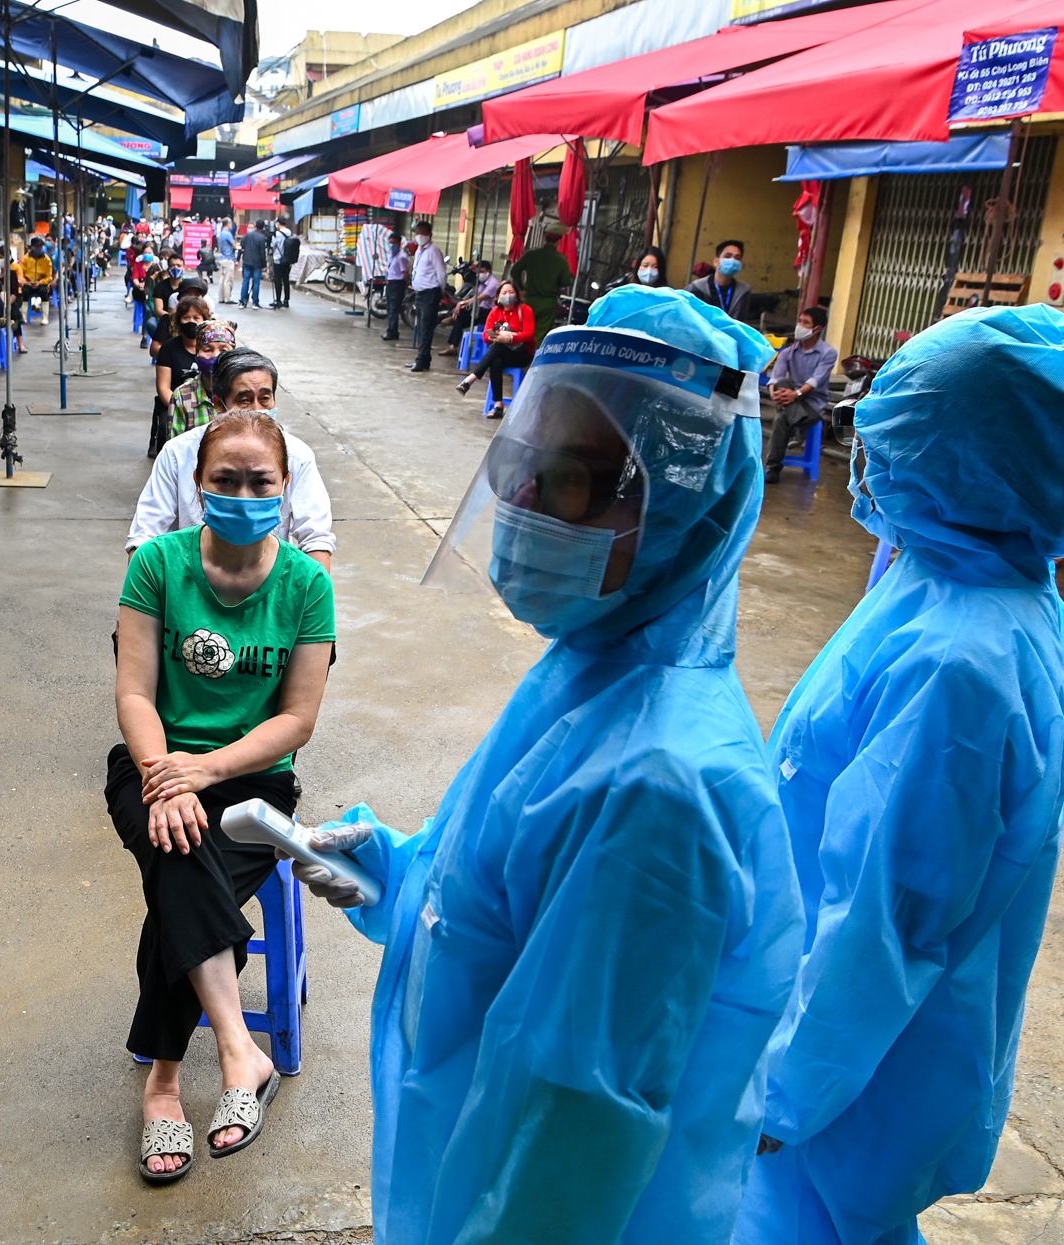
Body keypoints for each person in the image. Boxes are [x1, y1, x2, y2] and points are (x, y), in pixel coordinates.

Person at [292, 286, 803, 1242]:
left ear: (680, 504)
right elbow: (517, 910)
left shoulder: (657, 785)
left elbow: (574, 1132)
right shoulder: (593, 670)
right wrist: (400, 874)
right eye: (520, 466)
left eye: (569, 478)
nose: (521, 504)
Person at [733, 305, 1064, 1245]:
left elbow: (887, 922)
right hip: (879, 1047)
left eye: (900, 438)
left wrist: (783, 1091)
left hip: (848, 1076)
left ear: (969, 467)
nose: (873, 459)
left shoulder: (960, 663)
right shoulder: (986, 590)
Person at [110, 410, 337, 1183]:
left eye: (260, 482)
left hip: (251, 779)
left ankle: (166, 1082)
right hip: (148, 762)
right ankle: (242, 1051)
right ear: (198, 486)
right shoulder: (157, 566)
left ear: (284, 488)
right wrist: (163, 771)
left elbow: (297, 719)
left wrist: (203, 774)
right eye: (225, 481)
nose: (242, 494)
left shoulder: (307, 585)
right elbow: (135, 692)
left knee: (181, 862)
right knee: (177, 840)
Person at [129, 348, 334, 571]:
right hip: (190, 579)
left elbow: (315, 537)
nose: (257, 410)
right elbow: (145, 534)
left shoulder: (297, 455)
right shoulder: (178, 453)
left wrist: (314, 595)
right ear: (218, 404)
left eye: (265, 399)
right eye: (244, 400)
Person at [763, 305, 839, 483]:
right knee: (781, 387)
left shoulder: (828, 353)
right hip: (790, 403)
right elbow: (775, 379)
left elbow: (815, 381)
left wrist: (795, 394)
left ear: (817, 329)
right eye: (800, 321)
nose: (800, 326)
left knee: (781, 420)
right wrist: (775, 394)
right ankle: (797, 430)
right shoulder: (787, 353)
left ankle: (773, 467)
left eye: (806, 323)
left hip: (813, 406)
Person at [454, 277, 534, 407]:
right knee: (496, 362)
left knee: (499, 347)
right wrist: (497, 336)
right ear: (498, 297)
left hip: (522, 354)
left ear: (517, 294)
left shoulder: (524, 310)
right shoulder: (495, 312)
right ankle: (498, 404)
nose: (508, 295)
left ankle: (471, 379)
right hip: (502, 352)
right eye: (504, 293)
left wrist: (512, 337)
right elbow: (486, 335)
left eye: (511, 292)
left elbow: (529, 334)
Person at [153, 295, 212, 458]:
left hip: (209, 403)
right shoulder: (169, 348)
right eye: (186, 317)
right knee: (167, 425)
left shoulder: (213, 349)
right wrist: (180, 405)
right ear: (179, 321)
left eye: (196, 317)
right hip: (175, 402)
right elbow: (163, 387)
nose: (191, 322)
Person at [509, 215, 573, 344]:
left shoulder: (532, 254)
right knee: (540, 337)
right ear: (559, 241)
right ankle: (533, 361)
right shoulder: (561, 259)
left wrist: (520, 289)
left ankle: (520, 358)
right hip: (548, 303)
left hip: (529, 300)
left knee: (524, 331)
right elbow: (566, 281)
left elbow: (514, 271)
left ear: (545, 237)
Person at [167, 320, 236, 440]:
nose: (216, 356)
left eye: (223, 350)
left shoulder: (243, 393)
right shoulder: (182, 396)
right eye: (208, 350)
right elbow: (175, 449)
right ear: (197, 354)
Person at [407, 221, 446, 372]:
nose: (420, 236)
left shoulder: (433, 250)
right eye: (418, 233)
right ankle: (423, 358)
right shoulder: (419, 250)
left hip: (430, 292)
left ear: (430, 235)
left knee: (426, 328)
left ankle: (421, 359)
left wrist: (441, 289)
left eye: (423, 233)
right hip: (420, 293)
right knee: (420, 326)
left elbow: (441, 272)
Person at [687, 239, 753, 325]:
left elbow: (742, 321)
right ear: (716, 262)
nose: (732, 261)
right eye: (727, 256)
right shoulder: (696, 287)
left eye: (737, 258)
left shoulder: (744, 291)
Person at [447, 259, 498, 349]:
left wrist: (461, 303)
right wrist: (463, 304)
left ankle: (452, 318)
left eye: (482, 271)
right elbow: (475, 297)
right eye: (478, 272)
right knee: (460, 319)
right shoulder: (482, 282)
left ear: (489, 271)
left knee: (461, 313)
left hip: (490, 313)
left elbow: (479, 298)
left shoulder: (493, 283)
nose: (479, 274)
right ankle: (452, 347)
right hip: (480, 311)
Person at [381, 234, 410, 343]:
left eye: (394, 243)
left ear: (399, 244)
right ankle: (393, 331)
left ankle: (391, 332)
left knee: (393, 309)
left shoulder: (401, 257)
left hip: (397, 284)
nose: (392, 245)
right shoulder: (391, 255)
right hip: (390, 284)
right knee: (389, 308)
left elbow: (405, 273)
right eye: (390, 242)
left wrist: (405, 285)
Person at [19, 235, 54, 319]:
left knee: (43, 292)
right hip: (28, 283)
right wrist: (27, 283)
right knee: (25, 292)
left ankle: (45, 317)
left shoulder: (47, 259)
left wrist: (40, 282)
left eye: (41, 246)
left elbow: (49, 277)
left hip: (41, 283)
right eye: (37, 246)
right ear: (32, 247)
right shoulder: (25, 258)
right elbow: (21, 274)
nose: (39, 248)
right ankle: (24, 317)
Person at [239, 222, 268, 309]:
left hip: (247, 261)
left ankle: (242, 301)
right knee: (256, 282)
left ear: (255, 226)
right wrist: (264, 264)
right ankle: (255, 302)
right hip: (257, 262)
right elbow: (262, 253)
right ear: (263, 227)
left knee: (245, 281)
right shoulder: (262, 238)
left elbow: (242, 245)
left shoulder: (247, 235)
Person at [269, 222, 296, 308]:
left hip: (278, 259)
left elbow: (273, 245)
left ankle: (278, 300)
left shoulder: (277, 234)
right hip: (287, 259)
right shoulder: (290, 232)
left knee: (278, 279)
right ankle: (286, 300)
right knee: (286, 280)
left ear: (279, 224)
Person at [216, 218, 239, 303]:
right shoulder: (227, 234)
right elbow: (235, 246)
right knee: (228, 280)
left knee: (222, 279)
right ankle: (227, 298)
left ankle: (221, 297)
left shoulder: (221, 233)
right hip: (229, 258)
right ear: (228, 224)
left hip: (223, 258)